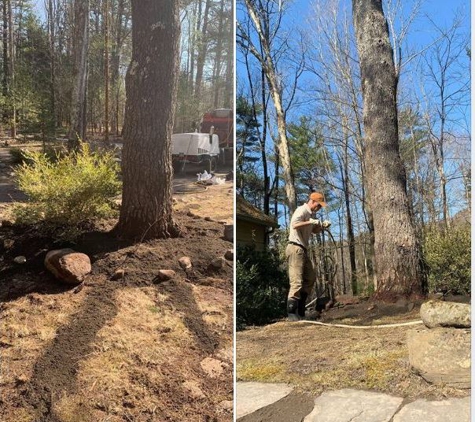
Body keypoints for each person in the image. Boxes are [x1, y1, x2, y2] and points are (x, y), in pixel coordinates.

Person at [286, 192, 330, 321]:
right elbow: (295, 224)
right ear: (313, 202)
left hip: (303, 250)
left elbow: (313, 231)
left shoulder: (311, 216)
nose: (319, 208)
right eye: (319, 205)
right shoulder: (301, 210)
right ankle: (292, 312)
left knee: (310, 278)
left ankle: (301, 309)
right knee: (297, 281)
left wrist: (321, 226)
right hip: (295, 247)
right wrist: (310, 221)